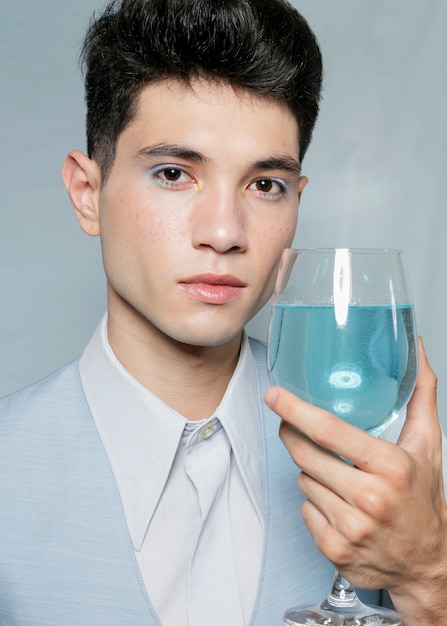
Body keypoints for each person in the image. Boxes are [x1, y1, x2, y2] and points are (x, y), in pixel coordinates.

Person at [0, 0, 446, 625]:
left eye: (265, 185)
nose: (223, 232)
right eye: (174, 173)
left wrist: (430, 578)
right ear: (87, 194)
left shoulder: (379, 464)